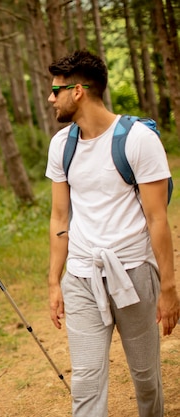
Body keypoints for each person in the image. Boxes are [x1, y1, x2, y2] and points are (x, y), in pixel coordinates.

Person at [45, 49, 180, 417]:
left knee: (146, 377)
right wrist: (55, 281)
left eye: (56, 90)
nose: (50, 97)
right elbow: (59, 217)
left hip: (133, 273)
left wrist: (168, 287)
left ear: (78, 92)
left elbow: (157, 219)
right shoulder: (62, 145)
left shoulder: (137, 139)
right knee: (86, 382)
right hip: (82, 276)